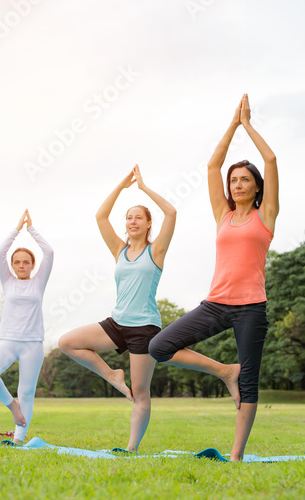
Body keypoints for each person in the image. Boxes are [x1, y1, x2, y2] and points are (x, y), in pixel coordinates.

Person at [149, 94, 279, 461]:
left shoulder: (265, 216)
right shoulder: (222, 214)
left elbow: (270, 160)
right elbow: (212, 166)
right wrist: (232, 124)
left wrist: (248, 125)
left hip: (251, 308)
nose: (237, 184)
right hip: (216, 304)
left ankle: (236, 455)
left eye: (245, 180)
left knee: (250, 382)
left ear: (256, 187)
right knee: (160, 347)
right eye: (234, 180)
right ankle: (225, 371)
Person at [59, 165, 176, 451]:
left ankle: (131, 448)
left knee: (140, 393)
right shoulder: (119, 250)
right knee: (67, 342)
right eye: (129, 218)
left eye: (139, 217)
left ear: (149, 224)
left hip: (144, 328)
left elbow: (171, 213)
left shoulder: (156, 250)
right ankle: (112, 375)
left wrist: (144, 188)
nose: (132, 221)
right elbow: (100, 216)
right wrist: (121, 187)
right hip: (117, 323)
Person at [0, 209, 54, 445]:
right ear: (12, 265)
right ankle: (13, 406)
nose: (21, 265)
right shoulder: (8, 281)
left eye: (26, 262)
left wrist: (31, 229)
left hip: (33, 343)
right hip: (8, 340)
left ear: (33, 265)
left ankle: (19, 439)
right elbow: (0, 251)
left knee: (27, 392)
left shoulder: (39, 282)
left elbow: (49, 252)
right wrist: (16, 229)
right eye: (17, 262)